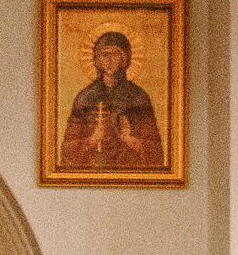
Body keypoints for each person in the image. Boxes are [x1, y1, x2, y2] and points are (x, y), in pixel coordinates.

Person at [60, 30, 165, 170]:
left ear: (124, 59)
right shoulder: (85, 97)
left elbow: (157, 152)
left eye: (115, 54)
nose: (109, 60)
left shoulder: (139, 97)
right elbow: (67, 151)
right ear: (97, 60)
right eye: (105, 54)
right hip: (93, 170)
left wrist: (130, 139)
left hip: (129, 170)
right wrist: (92, 140)